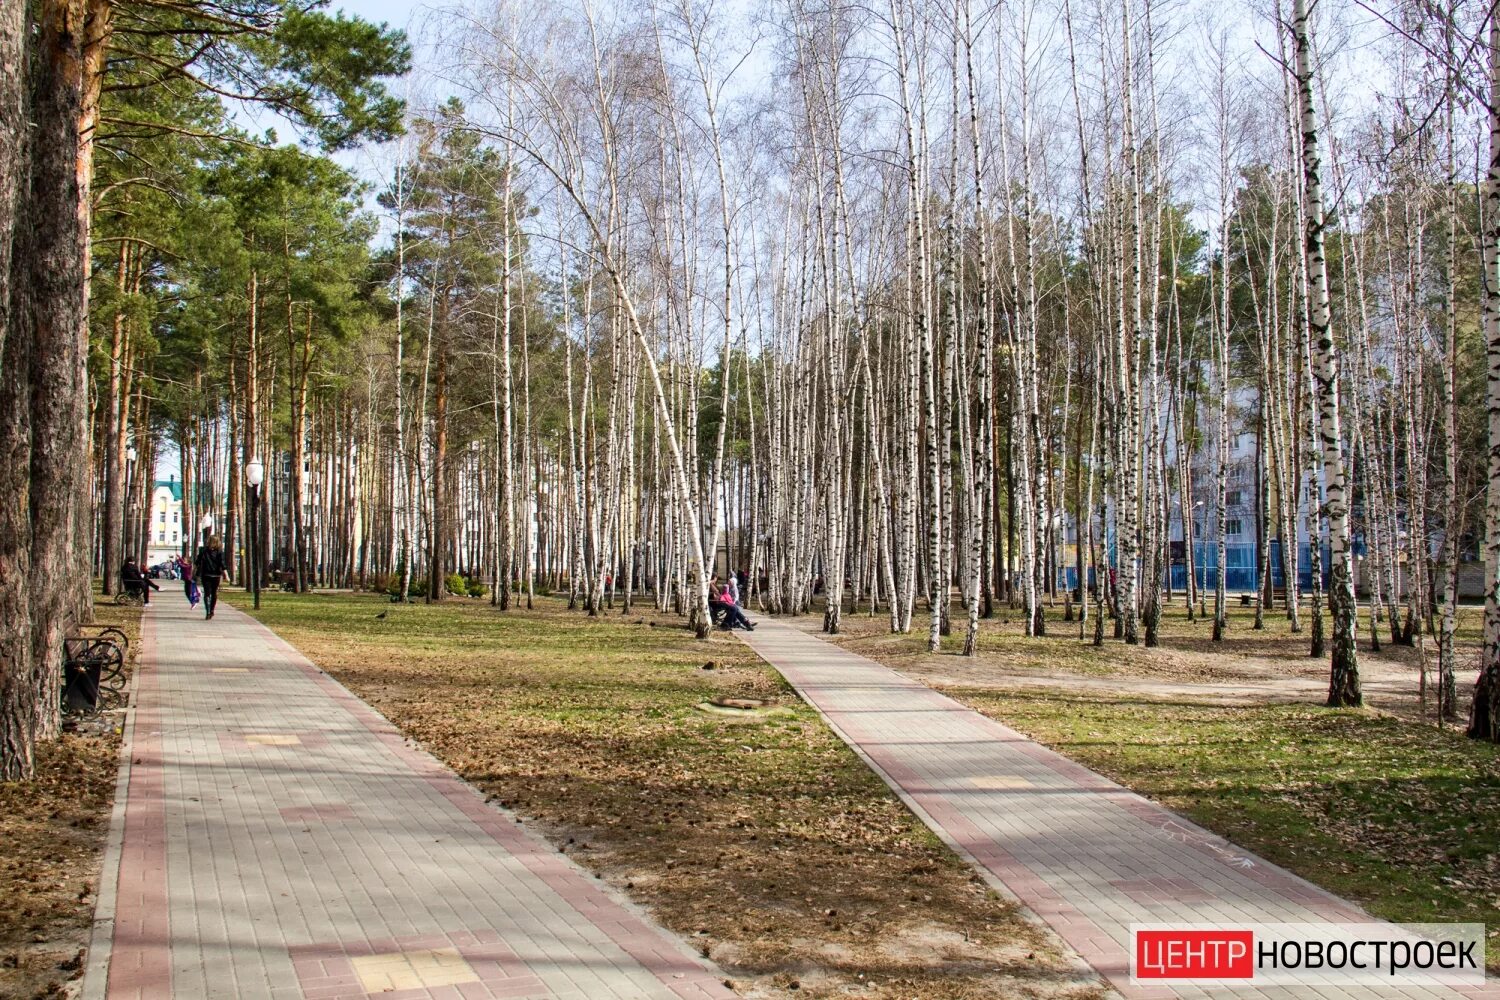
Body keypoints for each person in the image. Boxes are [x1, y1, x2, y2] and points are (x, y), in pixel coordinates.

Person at [193, 535, 228, 620]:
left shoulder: (203, 551)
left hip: (206, 574)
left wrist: (193, 572)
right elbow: (222, 564)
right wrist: (226, 575)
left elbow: (197, 562)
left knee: (207, 593)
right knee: (214, 593)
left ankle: (208, 611)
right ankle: (211, 610)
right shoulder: (219, 552)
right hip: (216, 575)